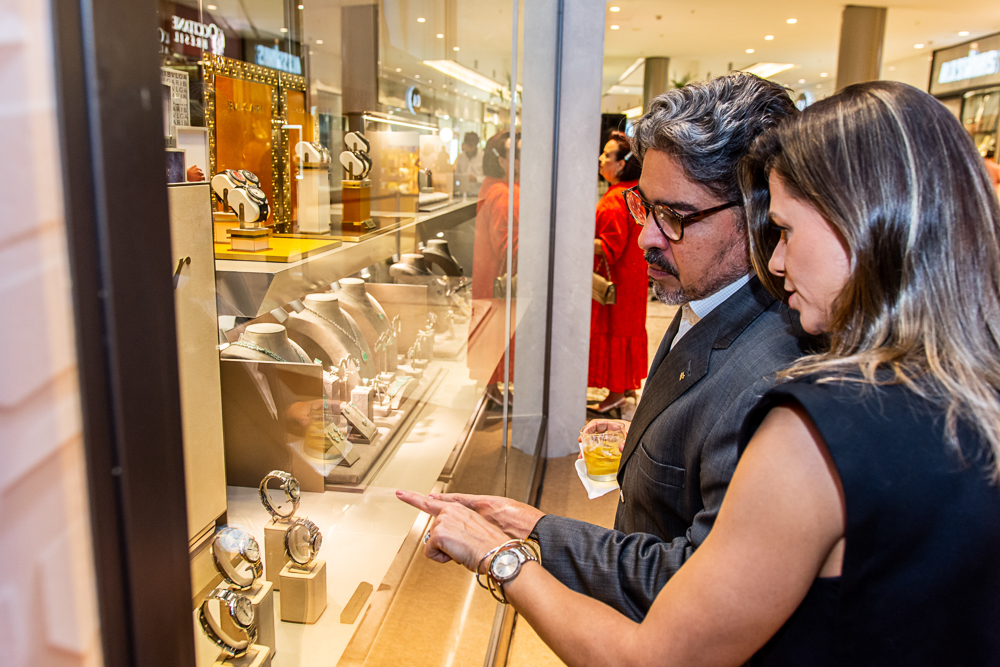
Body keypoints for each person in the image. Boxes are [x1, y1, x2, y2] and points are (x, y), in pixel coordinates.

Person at [401, 81, 1000, 664]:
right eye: (646, 206)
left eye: (786, 229)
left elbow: (660, 651)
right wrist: (547, 520)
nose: (776, 258)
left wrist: (502, 556)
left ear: (866, 228)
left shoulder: (809, 412)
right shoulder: (944, 387)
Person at [420, 72, 804, 621]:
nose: (647, 236)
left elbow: (692, 591)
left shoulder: (771, 383)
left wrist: (513, 547)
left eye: (675, 216)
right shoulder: (707, 296)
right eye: (645, 207)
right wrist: (646, 442)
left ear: (758, 215)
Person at [588, 130, 647, 414]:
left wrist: (578, 239)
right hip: (634, 276)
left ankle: (614, 394)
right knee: (628, 330)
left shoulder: (614, 198)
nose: (601, 159)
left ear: (621, 164)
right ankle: (625, 385)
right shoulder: (636, 191)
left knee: (614, 331)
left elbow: (610, 246)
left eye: (607, 154)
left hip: (616, 281)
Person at [469, 131, 519, 404]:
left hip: (491, 275)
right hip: (498, 279)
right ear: (502, 161)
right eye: (518, 155)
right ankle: (492, 389)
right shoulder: (502, 193)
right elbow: (508, 245)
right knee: (497, 332)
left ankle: (492, 387)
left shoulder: (497, 187)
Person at [455, 131, 484, 195]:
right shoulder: (461, 157)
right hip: (463, 193)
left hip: (478, 194)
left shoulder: (483, 157)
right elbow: (457, 175)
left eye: (472, 146)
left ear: (476, 145)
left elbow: (488, 178)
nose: (470, 149)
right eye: (468, 146)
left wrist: (476, 179)